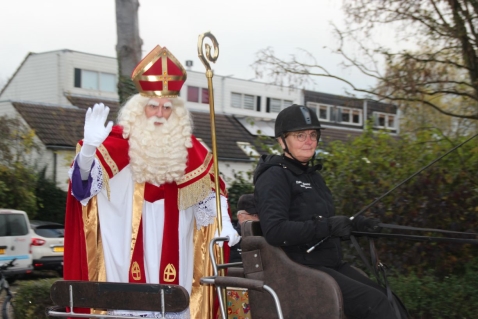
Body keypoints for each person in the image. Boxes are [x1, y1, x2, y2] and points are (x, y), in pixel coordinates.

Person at [63, 45, 240, 319]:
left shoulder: (191, 149)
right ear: (139, 109)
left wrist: (225, 223)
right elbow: (82, 191)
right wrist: (88, 151)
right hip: (123, 248)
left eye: (167, 107)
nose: (159, 113)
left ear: (176, 112)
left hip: (177, 251)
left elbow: (211, 197)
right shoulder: (115, 142)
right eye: (153, 106)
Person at [253, 104, 408, 319]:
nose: (309, 141)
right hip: (298, 267)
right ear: (282, 140)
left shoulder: (313, 176)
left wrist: (355, 224)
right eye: (300, 135)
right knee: (377, 305)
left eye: (313, 135)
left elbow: (321, 221)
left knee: (390, 300)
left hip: (328, 263)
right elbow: (275, 231)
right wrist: (327, 226)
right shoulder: (275, 176)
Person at [229, 194, 260, 263]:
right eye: (255, 215)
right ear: (241, 217)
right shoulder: (232, 238)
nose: (259, 219)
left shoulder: (267, 234)